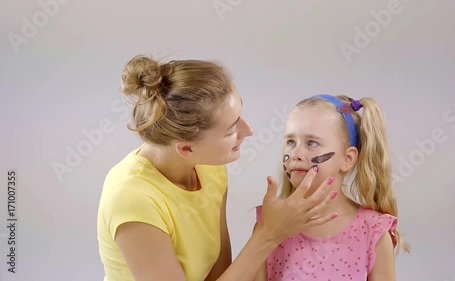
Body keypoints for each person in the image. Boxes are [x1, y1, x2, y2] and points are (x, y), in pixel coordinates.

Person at [96, 55, 340, 281]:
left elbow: (220, 273)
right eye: (231, 130)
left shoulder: (209, 168)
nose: (249, 130)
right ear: (186, 149)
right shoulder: (133, 200)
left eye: (240, 114)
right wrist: (269, 234)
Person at [253, 94, 411, 281]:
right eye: (290, 142)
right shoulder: (270, 224)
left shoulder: (373, 233)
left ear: (347, 158)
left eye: (311, 143)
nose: (295, 154)